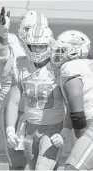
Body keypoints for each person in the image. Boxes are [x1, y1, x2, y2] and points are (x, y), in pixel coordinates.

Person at [5, 23, 69, 170]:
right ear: (27, 45)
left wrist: (65, 131)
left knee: (42, 168)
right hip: (30, 128)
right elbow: (14, 102)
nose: (38, 49)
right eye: (34, 45)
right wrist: (10, 129)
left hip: (54, 128)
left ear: (50, 45)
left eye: (42, 46)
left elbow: (70, 103)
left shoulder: (58, 66)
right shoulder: (20, 65)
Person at [0, 7, 48, 170]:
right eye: (29, 29)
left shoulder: (47, 45)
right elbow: (0, 53)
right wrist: (3, 34)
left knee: (42, 160)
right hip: (13, 108)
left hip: (39, 109)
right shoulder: (9, 40)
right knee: (17, 162)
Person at [51, 30, 93, 170]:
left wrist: (81, 140)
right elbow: (71, 106)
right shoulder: (86, 65)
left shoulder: (71, 68)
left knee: (72, 168)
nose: (57, 54)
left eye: (62, 50)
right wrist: (65, 131)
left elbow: (78, 115)